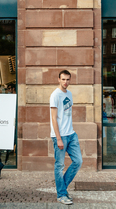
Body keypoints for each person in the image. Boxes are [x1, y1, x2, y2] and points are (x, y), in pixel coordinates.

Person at [50, 70, 83, 205]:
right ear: (59, 79)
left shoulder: (69, 93)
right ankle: (62, 194)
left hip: (71, 134)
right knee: (59, 165)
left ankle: (61, 187)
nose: (66, 82)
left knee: (78, 161)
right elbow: (53, 118)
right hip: (60, 135)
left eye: (68, 79)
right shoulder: (55, 95)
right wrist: (58, 138)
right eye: (63, 79)